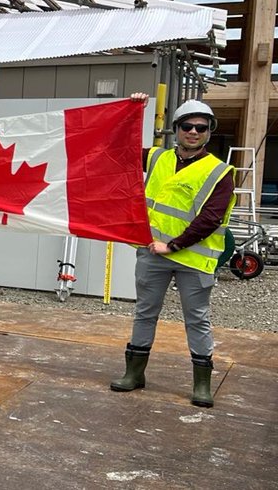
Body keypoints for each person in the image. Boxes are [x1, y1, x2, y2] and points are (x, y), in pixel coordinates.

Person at [111, 95, 234, 408]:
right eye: (187, 126)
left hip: (192, 258)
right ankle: (134, 374)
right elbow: (117, 149)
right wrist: (130, 110)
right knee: (144, 313)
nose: (194, 132)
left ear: (209, 132)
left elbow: (211, 218)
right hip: (153, 255)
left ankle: (202, 385)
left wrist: (174, 245)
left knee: (196, 319)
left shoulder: (219, 172)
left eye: (201, 128)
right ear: (176, 129)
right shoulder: (156, 158)